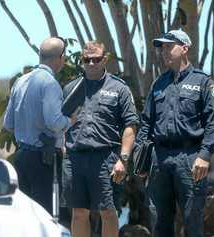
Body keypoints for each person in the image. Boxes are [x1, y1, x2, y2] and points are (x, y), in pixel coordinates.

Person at [137, 29, 214, 237]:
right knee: (159, 221)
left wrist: (204, 156)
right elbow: (147, 122)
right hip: (160, 159)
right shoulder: (159, 83)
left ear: (184, 49)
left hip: (190, 158)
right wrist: (142, 159)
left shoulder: (203, 82)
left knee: (192, 221)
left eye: (169, 46)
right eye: (162, 48)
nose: (164, 52)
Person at [63, 41, 139, 237]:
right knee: (79, 213)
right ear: (81, 61)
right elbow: (60, 123)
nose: (91, 64)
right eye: (86, 60)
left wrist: (123, 159)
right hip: (75, 158)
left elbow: (130, 126)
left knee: (108, 211)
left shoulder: (119, 88)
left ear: (105, 59)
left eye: (95, 59)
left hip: (105, 158)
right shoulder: (71, 89)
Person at [3, 37, 73, 214]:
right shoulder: (50, 83)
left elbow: (8, 123)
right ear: (61, 57)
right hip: (43, 160)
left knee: (24, 215)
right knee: (44, 215)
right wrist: (72, 120)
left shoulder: (20, 81)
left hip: (21, 156)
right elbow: (55, 123)